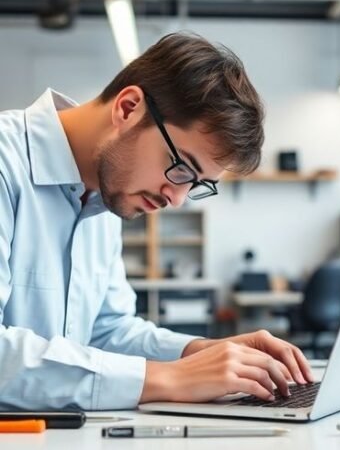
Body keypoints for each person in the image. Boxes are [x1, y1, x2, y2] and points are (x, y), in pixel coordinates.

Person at [0, 32, 313, 410]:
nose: (177, 199)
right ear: (129, 108)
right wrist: (169, 378)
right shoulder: (7, 164)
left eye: (197, 185)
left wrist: (203, 353)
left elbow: (106, 332)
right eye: (181, 167)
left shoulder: (104, 193)